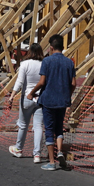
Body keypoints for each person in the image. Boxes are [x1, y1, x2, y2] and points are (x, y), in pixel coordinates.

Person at [27, 34, 76, 171]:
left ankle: (52, 161)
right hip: (62, 100)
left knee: (49, 129)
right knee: (59, 128)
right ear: (63, 47)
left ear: (51, 47)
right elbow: (73, 83)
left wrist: (31, 93)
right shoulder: (69, 62)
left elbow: (42, 82)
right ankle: (60, 151)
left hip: (48, 100)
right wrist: (67, 94)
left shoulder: (47, 61)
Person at [8, 43, 44, 163]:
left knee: (23, 125)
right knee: (38, 126)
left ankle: (19, 149)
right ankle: (37, 154)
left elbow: (19, 82)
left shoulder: (25, 64)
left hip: (27, 97)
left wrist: (12, 95)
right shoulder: (44, 64)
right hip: (40, 98)